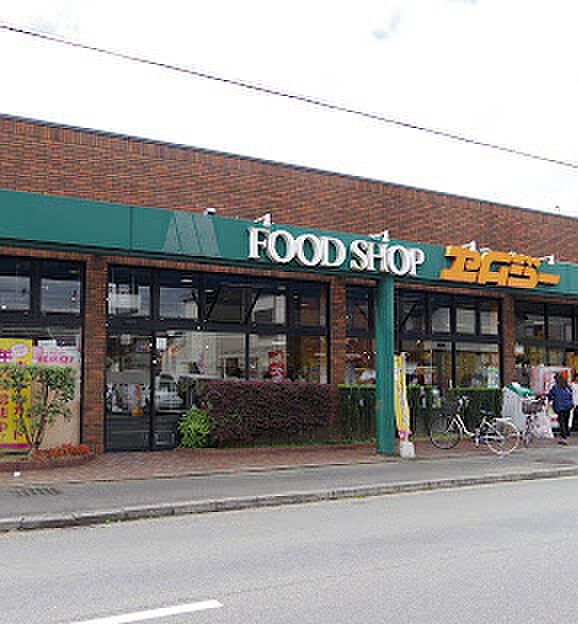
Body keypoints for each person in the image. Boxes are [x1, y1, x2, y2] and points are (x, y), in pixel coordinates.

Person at [547, 373, 574, 444]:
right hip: (568, 406)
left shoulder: (556, 387)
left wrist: (548, 398)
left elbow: (550, 395)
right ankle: (566, 433)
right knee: (566, 421)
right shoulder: (567, 386)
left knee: (561, 422)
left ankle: (564, 437)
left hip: (561, 407)